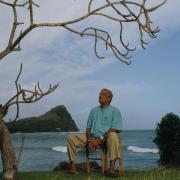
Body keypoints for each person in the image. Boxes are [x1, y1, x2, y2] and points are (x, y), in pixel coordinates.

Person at [67, 88, 122, 175]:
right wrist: (89, 140)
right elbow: (88, 128)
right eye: (100, 94)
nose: (100, 96)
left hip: (106, 138)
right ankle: (73, 167)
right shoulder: (93, 110)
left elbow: (114, 128)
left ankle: (111, 170)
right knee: (71, 137)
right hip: (92, 137)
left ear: (109, 98)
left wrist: (100, 139)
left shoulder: (115, 111)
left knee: (113, 135)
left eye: (103, 94)